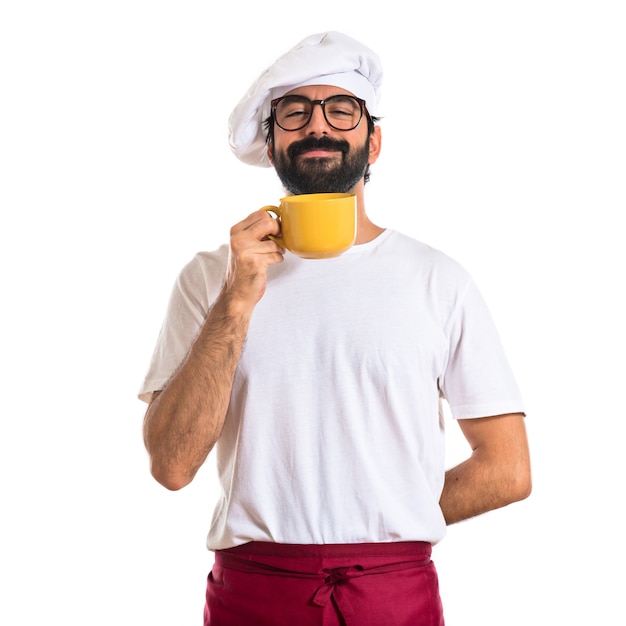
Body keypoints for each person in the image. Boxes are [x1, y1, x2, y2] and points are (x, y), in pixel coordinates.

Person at [139, 31, 531, 626]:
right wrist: (237, 302)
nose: (316, 125)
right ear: (271, 146)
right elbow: (171, 467)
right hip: (253, 592)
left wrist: (387, 516)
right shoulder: (209, 279)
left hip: (393, 592)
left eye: (340, 109)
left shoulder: (437, 279)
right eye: (293, 113)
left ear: (372, 142)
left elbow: (508, 470)